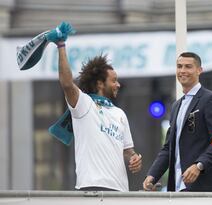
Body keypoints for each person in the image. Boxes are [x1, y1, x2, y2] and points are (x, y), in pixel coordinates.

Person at [48, 22, 142, 191]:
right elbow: (67, 84)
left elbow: (128, 151)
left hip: (120, 190)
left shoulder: (119, 113)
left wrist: (134, 158)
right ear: (99, 83)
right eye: (114, 81)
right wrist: (61, 46)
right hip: (91, 187)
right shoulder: (84, 104)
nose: (118, 85)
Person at [143, 52, 212, 192]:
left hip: (203, 186)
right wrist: (152, 175)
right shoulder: (176, 105)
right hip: (176, 187)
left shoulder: (210, 99)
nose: (182, 71)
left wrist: (199, 165)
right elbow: (168, 147)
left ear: (199, 70)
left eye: (188, 67)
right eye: (179, 66)